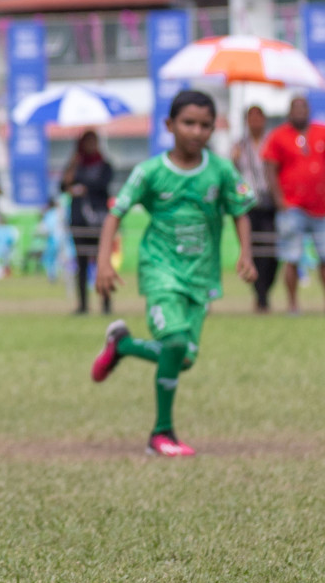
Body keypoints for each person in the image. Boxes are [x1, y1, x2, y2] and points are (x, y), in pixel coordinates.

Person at [89, 90, 256, 458]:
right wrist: (103, 262)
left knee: (183, 358)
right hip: (161, 270)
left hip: (201, 277)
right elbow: (115, 214)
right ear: (169, 125)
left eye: (205, 125)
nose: (197, 132)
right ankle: (161, 434)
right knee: (176, 343)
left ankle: (124, 345)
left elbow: (240, 210)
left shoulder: (221, 170)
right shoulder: (149, 172)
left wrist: (246, 253)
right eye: (188, 123)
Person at [262, 96, 325, 314]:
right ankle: (293, 305)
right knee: (291, 257)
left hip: (322, 207)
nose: (299, 111)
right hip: (291, 206)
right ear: (288, 111)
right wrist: (279, 200)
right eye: (295, 107)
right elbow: (269, 168)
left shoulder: (324, 132)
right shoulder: (277, 136)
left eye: (303, 107)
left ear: (309, 110)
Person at [61, 130, 114, 315]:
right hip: (79, 219)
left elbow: (103, 185)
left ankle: (106, 303)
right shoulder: (76, 165)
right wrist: (73, 165)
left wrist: (84, 187)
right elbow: (62, 186)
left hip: (99, 218)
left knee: (103, 261)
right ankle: (83, 304)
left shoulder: (104, 165)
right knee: (81, 262)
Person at [232, 106, 278, 312]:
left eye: (259, 118)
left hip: (270, 202)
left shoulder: (272, 143)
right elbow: (233, 175)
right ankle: (260, 295)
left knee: (271, 251)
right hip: (249, 204)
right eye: (251, 118)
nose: (255, 122)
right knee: (252, 249)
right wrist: (234, 159)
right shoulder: (240, 145)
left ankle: (265, 290)